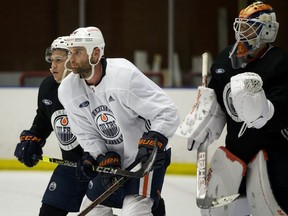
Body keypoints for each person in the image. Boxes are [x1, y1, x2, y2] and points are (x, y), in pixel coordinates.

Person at [177, 1, 288, 215]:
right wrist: (205, 117)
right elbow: (217, 100)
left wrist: (259, 107)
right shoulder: (226, 59)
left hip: (273, 158)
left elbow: (278, 112)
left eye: (250, 27)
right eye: (242, 25)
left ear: (266, 31)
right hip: (235, 155)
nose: (242, 31)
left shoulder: (280, 63)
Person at [58, 26, 179, 215]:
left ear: (96, 53)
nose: (71, 58)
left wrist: (154, 140)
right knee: (92, 211)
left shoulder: (123, 75)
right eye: (70, 52)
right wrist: (100, 155)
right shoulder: (68, 89)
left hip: (143, 159)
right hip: (111, 162)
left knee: (134, 211)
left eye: (78, 52)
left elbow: (166, 111)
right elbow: (84, 132)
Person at [14, 36, 89, 216]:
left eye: (58, 61)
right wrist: (33, 139)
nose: (52, 66)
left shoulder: (89, 87)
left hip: (99, 167)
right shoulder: (48, 86)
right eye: (51, 60)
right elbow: (43, 119)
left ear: (72, 62)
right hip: (70, 166)